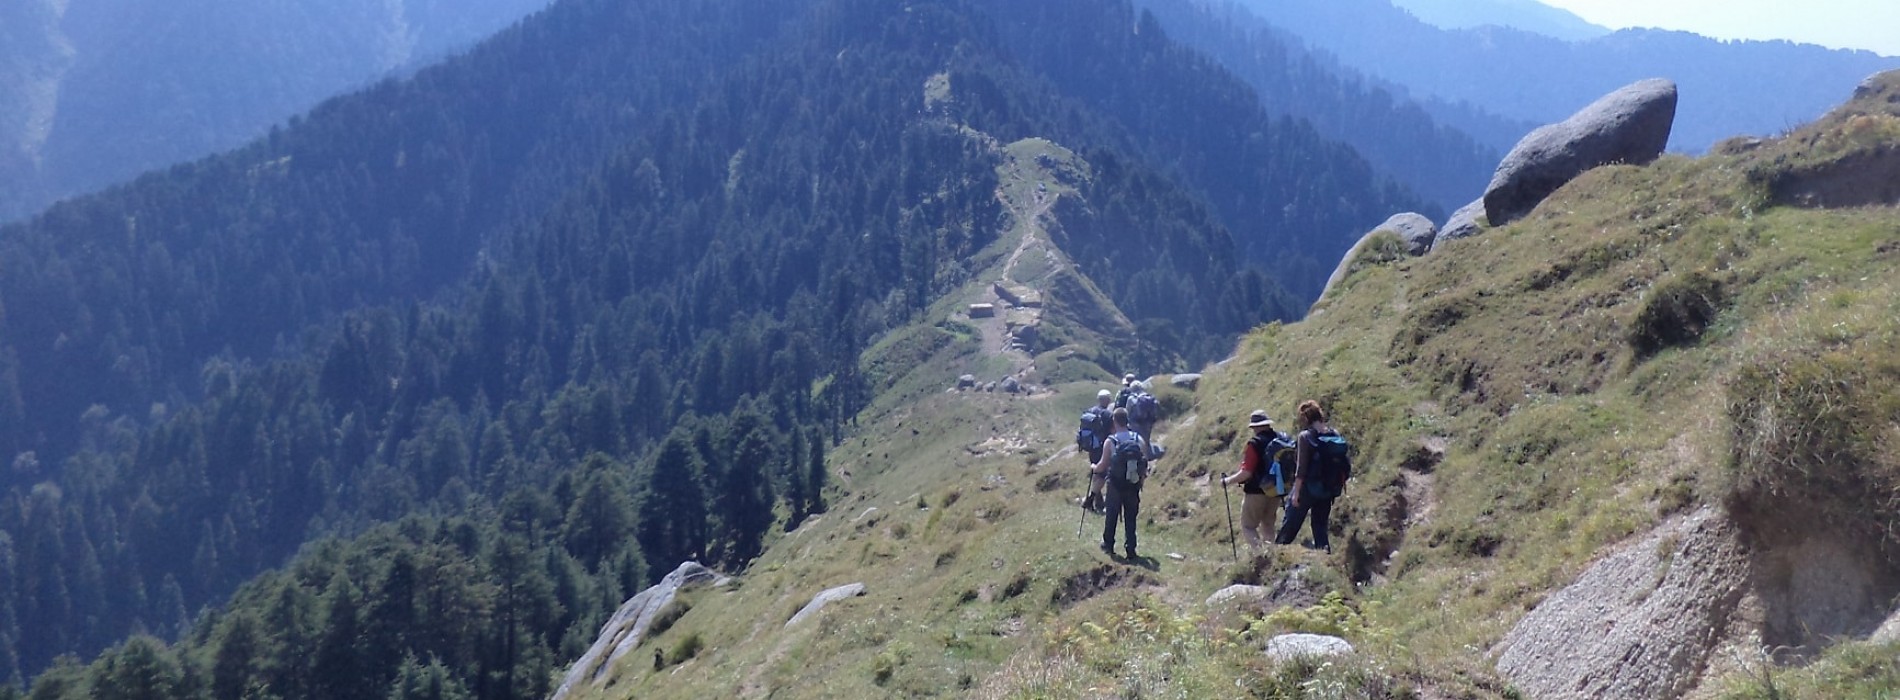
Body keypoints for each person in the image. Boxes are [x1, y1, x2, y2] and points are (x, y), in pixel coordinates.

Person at [1221, 410, 1292, 552]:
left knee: (1248, 526)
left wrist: (1227, 481)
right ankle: (1271, 554)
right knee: (1268, 524)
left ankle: (1261, 555)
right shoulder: (1281, 439)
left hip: (1256, 492)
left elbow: (1247, 472)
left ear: (1255, 427)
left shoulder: (1255, 443)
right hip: (1277, 490)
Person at [1276, 400, 1342, 552]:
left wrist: (1296, 493)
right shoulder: (1334, 434)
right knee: (1320, 527)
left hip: (1307, 488)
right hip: (1327, 488)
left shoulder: (1305, 437)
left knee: (1290, 524)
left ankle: (1276, 554)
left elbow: (1301, 468)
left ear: (1305, 418)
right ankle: (1325, 557)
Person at [1093, 407, 1149, 559]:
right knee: (1131, 517)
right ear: (1127, 420)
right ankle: (1131, 548)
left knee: (1111, 515)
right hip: (1133, 484)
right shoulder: (1138, 439)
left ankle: (1108, 544)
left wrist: (1093, 467)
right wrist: (1141, 481)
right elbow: (1144, 463)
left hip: (1115, 485)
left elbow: (1103, 465)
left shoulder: (1111, 441)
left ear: (1114, 421)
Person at [1080, 389, 1114, 513]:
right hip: (1103, 447)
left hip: (1091, 447)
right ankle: (1091, 500)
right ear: (1106, 400)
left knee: (1096, 472)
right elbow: (1112, 431)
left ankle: (1098, 501)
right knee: (1102, 474)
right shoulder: (1107, 414)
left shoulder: (1089, 411)